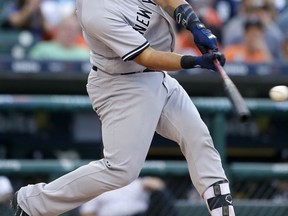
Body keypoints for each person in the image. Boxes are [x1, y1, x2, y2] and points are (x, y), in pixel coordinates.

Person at [11, 1, 235, 216]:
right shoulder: (95, 12)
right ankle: (32, 203)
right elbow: (147, 57)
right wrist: (193, 62)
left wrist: (194, 23)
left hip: (156, 78)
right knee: (120, 170)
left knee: (198, 137)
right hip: (122, 85)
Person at [79, 177, 179, 216]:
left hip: (138, 215)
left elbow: (158, 184)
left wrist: (148, 185)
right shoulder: (96, 188)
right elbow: (87, 213)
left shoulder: (135, 182)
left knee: (161, 194)